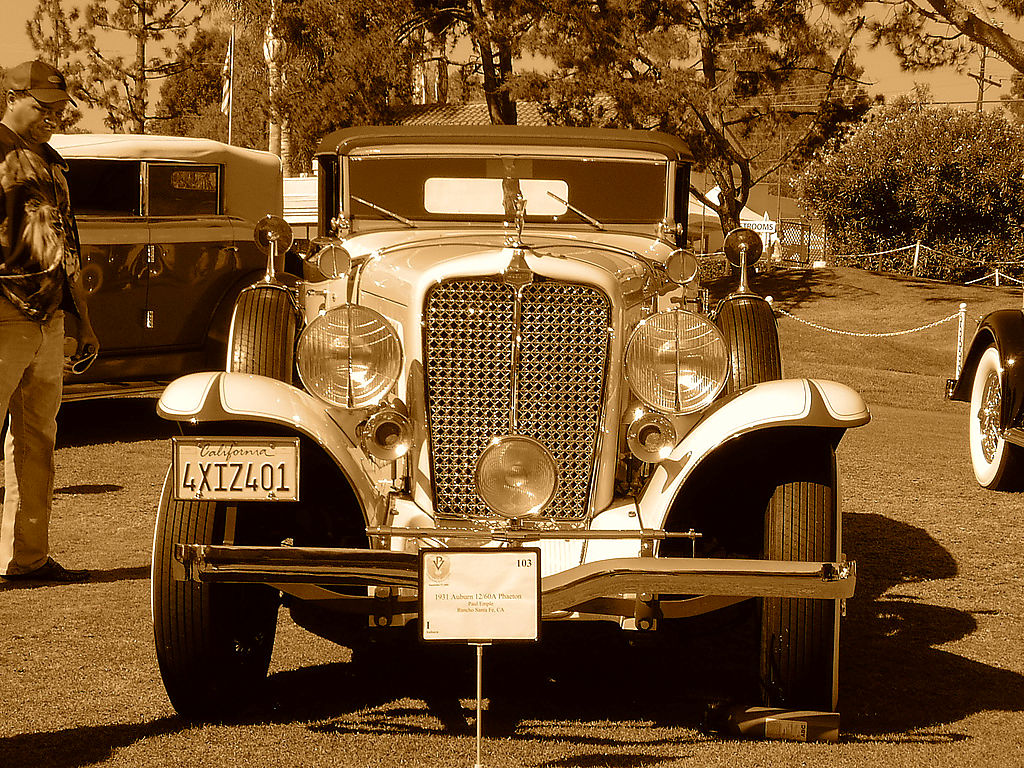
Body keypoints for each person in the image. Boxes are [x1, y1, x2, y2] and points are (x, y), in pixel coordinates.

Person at [0, 60, 98, 583]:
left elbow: (68, 247)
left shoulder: (54, 162)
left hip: (49, 316)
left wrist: (83, 319)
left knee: (36, 437)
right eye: (44, 108)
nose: (54, 118)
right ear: (12, 97)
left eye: (60, 109)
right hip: (3, 312)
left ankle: (26, 558)